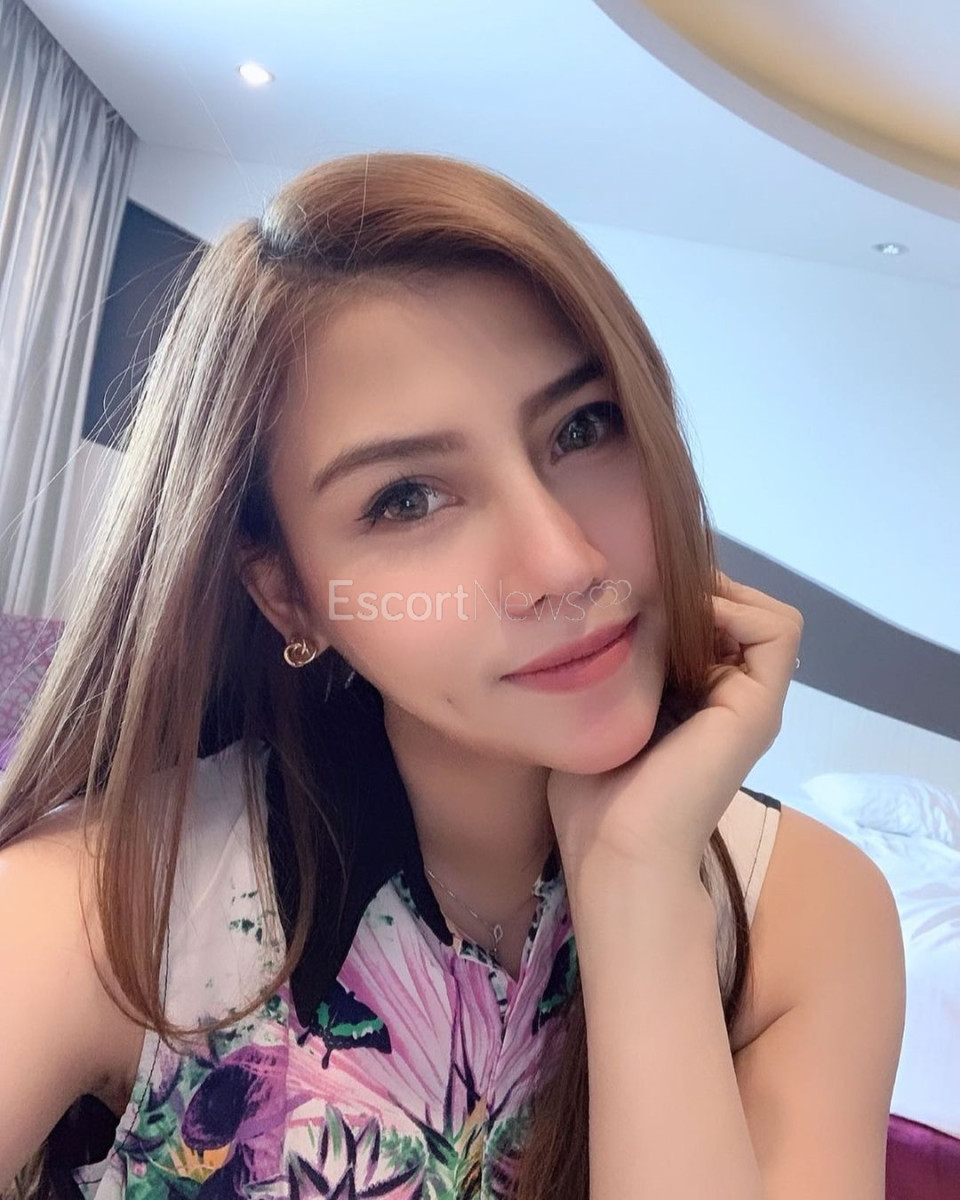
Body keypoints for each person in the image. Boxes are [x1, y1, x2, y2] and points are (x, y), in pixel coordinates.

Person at [0, 151, 904, 1200]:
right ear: (289, 594)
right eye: (408, 499)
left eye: (582, 427)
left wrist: (639, 885)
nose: (564, 564)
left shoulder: (805, 913)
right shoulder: (108, 903)